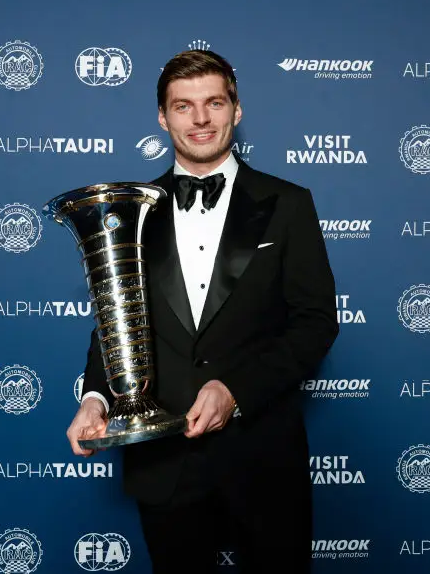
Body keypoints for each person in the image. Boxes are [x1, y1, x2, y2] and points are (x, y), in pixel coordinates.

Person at [66, 49, 339, 573]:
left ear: (236, 110)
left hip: (261, 455)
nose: (200, 119)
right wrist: (98, 398)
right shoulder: (129, 211)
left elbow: (315, 323)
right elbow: (115, 321)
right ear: (163, 117)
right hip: (166, 465)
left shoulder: (288, 203)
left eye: (214, 103)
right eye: (183, 106)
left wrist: (235, 390)